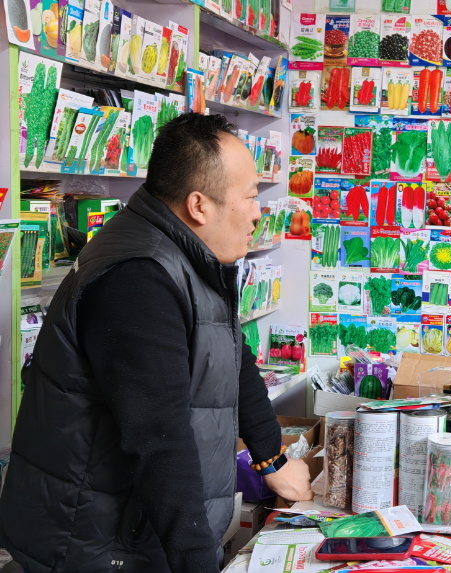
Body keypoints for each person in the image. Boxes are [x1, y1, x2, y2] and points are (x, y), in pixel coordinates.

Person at [0, 114, 313, 573]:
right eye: (249, 197)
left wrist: (272, 458)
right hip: (93, 543)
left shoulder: (189, 254)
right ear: (199, 205)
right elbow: (159, 438)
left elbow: (231, 354)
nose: (257, 212)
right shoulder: (137, 278)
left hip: (134, 532)